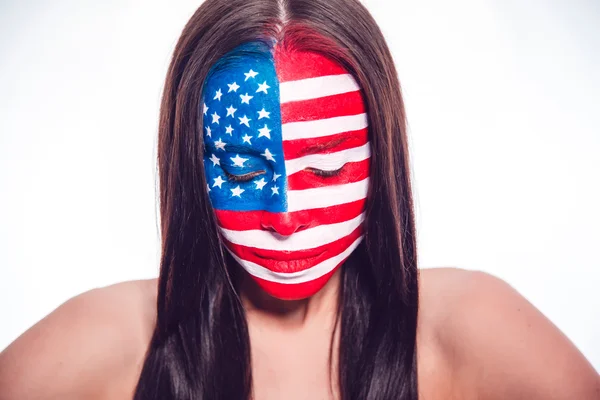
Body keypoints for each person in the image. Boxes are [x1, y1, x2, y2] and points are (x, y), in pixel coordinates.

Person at [0, 0, 598, 399]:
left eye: (329, 164)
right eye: (239, 171)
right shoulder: (113, 337)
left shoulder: (469, 326)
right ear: (192, 170)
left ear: (381, 158)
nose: (284, 219)